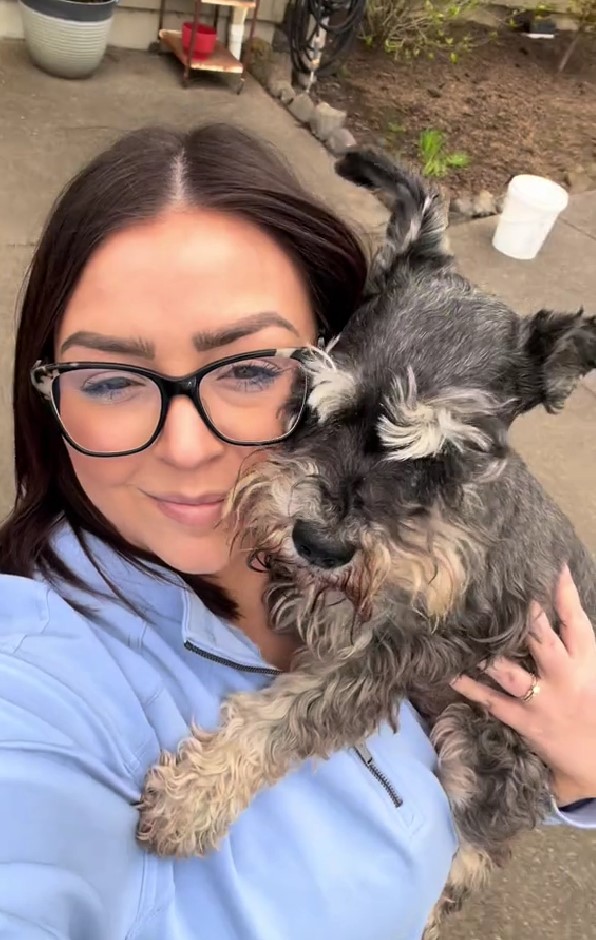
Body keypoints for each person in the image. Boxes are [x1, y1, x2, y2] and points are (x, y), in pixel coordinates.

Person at [0, 123, 594, 940]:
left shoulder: (438, 566)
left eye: (249, 369)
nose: (186, 450)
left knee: (470, 827)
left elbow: (471, 715)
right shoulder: (36, 669)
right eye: (109, 379)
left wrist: (580, 776)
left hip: (501, 718)